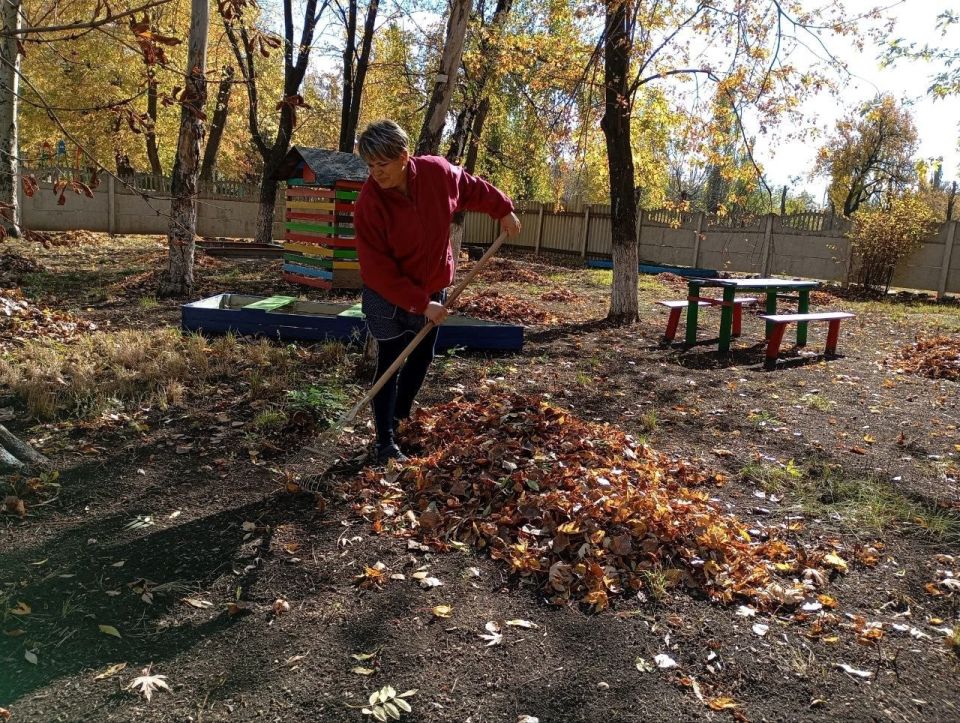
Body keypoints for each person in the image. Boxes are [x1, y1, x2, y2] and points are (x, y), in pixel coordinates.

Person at [354, 120, 521, 464]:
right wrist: (419, 304)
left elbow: (471, 187)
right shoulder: (369, 204)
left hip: (431, 287)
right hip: (387, 295)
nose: (375, 174)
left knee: (422, 357)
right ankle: (384, 442)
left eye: (382, 165)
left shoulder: (436, 173)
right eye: (370, 166)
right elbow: (376, 268)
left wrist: (503, 209)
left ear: (404, 156)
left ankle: (399, 420)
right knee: (391, 361)